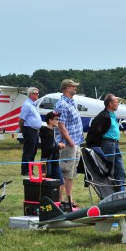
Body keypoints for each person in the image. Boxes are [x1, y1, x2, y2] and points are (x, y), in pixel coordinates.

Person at [54, 79, 85, 207]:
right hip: (67, 144)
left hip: (76, 143)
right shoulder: (62, 104)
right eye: (73, 87)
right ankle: (60, 200)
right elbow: (61, 125)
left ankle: (69, 198)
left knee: (71, 173)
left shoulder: (71, 102)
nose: (75, 89)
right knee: (64, 171)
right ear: (67, 88)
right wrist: (70, 142)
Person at [85, 94, 126, 190]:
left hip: (115, 144)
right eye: (116, 102)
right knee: (109, 169)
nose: (118, 104)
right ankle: (108, 191)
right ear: (110, 104)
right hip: (108, 144)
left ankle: (121, 190)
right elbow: (95, 133)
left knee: (120, 168)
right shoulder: (103, 116)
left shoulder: (113, 115)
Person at [39, 111, 65, 200]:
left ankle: (57, 201)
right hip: (48, 162)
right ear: (50, 120)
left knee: (58, 182)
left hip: (53, 162)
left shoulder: (50, 131)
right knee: (53, 183)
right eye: (56, 119)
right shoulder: (47, 133)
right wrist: (59, 146)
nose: (58, 121)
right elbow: (47, 149)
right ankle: (56, 201)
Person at [18, 87, 42, 176]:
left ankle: (30, 170)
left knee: (33, 151)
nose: (38, 95)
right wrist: (22, 128)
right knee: (28, 151)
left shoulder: (32, 104)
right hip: (29, 129)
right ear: (31, 94)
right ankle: (25, 171)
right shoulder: (27, 105)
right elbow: (21, 119)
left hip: (34, 130)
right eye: (36, 93)